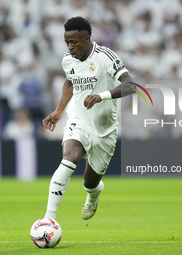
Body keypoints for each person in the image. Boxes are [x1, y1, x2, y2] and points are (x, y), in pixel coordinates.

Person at [43, 16, 133, 221]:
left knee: (90, 182)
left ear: (86, 38)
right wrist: (59, 111)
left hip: (105, 129)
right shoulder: (68, 60)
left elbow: (131, 86)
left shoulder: (105, 57)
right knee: (69, 158)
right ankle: (49, 219)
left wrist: (102, 96)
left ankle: (93, 194)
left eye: (73, 42)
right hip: (79, 120)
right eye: (66, 42)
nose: (70, 47)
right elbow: (69, 80)